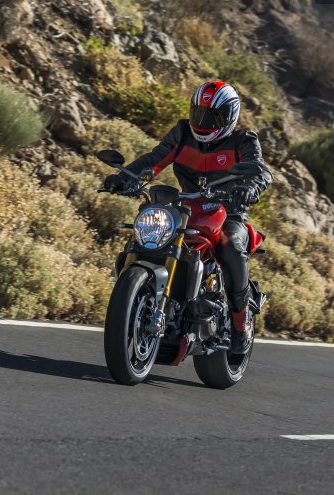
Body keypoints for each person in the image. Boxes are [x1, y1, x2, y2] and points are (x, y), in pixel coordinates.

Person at [106, 80, 271, 353]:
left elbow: (261, 172)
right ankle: (139, 302)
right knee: (142, 239)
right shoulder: (183, 133)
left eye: (211, 116)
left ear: (229, 116)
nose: (202, 122)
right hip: (187, 208)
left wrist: (249, 189)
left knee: (231, 247)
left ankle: (240, 328)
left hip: (229, 211)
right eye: (199, 114)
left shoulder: (243, 141)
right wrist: (125, 178)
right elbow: (154, 160)